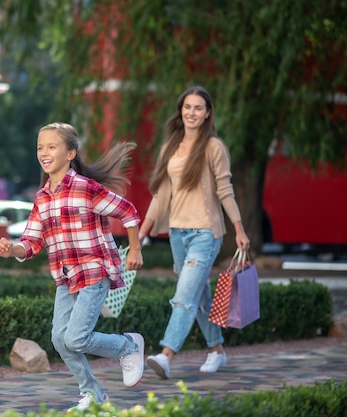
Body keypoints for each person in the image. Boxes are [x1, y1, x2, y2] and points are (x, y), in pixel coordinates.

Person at [0, 122, 145, 411]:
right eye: (40, 147)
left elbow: (127, 211)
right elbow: (31, 241)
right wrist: (12, 249)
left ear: (71, 153)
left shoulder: (85, 188)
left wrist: (135, 248)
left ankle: (129, 346)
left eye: (52, 147)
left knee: (76, 338)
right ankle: (94, 396)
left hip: (95, 270)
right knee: (60, 340)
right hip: (66, 277)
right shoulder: (41, 198)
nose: (44, 152)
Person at [138, 86, 250, 379]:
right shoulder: (170, 148)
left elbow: (226, 191)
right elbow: (161, 195)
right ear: (181, 110)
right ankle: (216, 351)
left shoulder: (214, 148)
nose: (191, 112)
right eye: (187, 107)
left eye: (198, 108)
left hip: (205, 234)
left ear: (207, 113)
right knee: (199, 296)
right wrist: (141, 231)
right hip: (177, 234)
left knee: (184, 296)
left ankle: (166, 355)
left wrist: (239, 229)